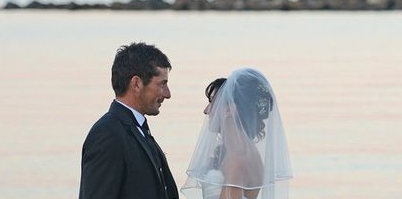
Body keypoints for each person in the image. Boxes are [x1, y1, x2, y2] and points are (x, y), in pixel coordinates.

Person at [79, 42, 179, 199]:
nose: (168, 94)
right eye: (162, 84)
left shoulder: (138, 129)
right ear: (136, 84)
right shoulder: (107, 134)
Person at [182, 68, 292, 199]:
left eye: (213, 102)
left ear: (230, 110)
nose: (206, 111)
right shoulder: (239, 152)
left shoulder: (238, 160)